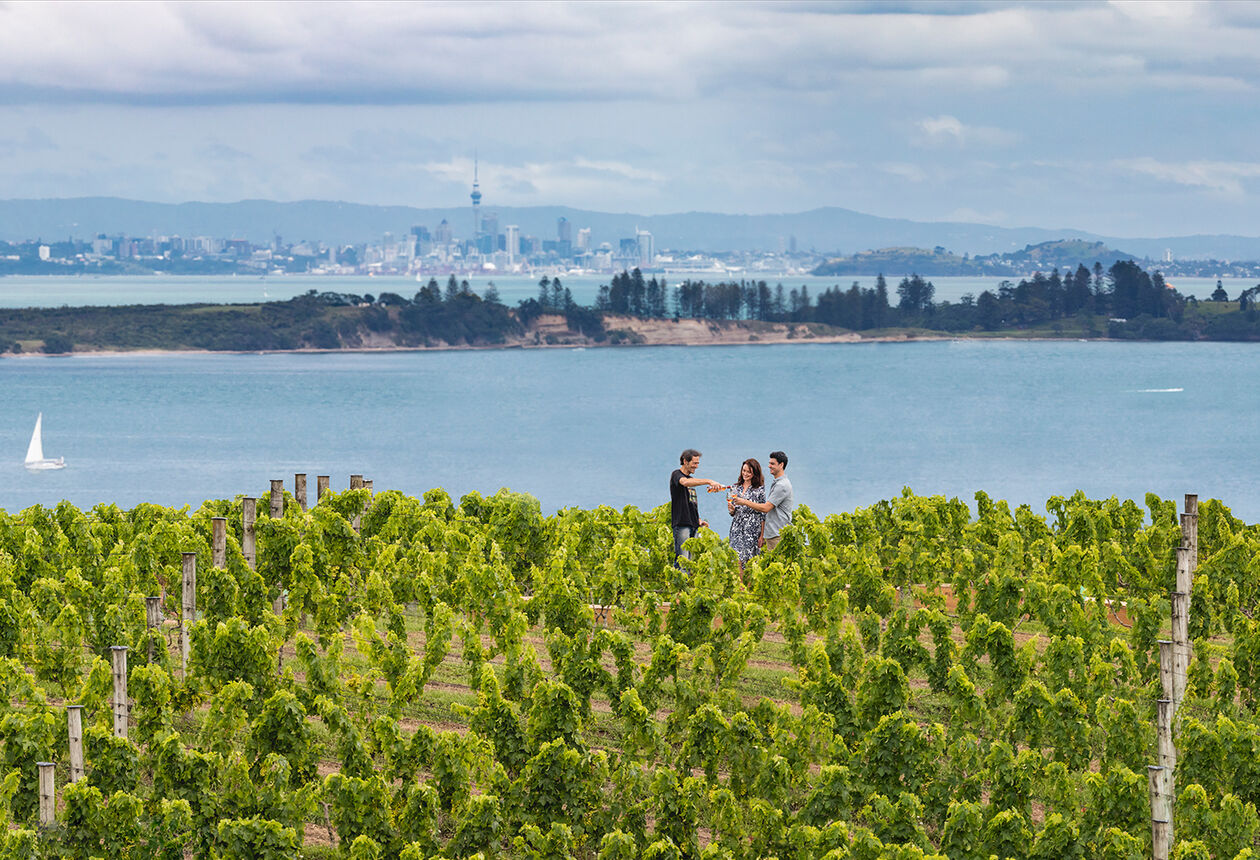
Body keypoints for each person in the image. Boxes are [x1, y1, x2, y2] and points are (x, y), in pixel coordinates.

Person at [730, 450, 794, 551]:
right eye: (769, 463)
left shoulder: (782, 485)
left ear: (781, 465)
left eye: (772, 464)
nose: (769, 466)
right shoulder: (778, 483)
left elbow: (765, 508)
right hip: (773, 532)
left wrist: (744, 501)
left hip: (777, 533)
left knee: (777, 564)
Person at [671, 448, 722, 561]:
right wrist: (709, 481)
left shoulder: (692, 479)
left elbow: (691, 503)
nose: (696, 466)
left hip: (693, 525)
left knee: (691, 562)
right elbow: (685, 482)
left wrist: (698, 520)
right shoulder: (677, 475)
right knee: (683, 561)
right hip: (682, 524)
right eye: (694, 463)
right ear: (685, 461)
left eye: (697, 463)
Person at [726, 458, 765, 574]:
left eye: (749, 472)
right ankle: (740, 587)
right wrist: (731, 510)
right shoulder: (735, 488)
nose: (745, 474)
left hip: (752, 529)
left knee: (749, 560)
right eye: (744, 471)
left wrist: (762, 535)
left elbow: (763, 513)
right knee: (736, 559)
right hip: (737, 528)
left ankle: (748, 588)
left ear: (755, 473)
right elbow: (732, 512)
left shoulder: (759, 490)